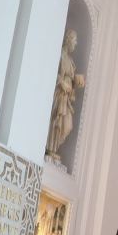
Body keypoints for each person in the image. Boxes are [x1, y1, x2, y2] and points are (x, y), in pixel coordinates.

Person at [46, 29, 85, 163]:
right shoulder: (60, 55)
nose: (76, 44)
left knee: (67, 125)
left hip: (66, 96)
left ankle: (54, 148)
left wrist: (77, 81)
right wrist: (61, 82)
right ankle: (50, 148)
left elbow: (72, 77)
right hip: (59, 94)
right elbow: (52, 71)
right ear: (68, 40)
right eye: (74, 41)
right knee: (57, 120)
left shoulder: (71, 60)